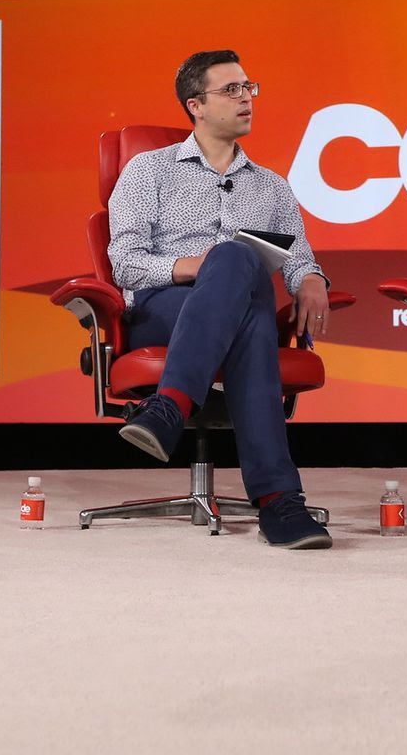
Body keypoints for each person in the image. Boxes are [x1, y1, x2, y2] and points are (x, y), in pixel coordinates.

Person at [106, 50, 334, 549]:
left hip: (237, 314)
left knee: (245, 300)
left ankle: (169, 407)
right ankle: (279, 503)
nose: (246, 97)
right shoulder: (150, 171)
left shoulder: (272, 187)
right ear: (196, 105)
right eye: (231, 89)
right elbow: (124, 262)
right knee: (231, 262)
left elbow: (296, 259)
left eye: (249, 87)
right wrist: (199, 264)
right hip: (164, 308)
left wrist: (312, 277)